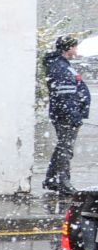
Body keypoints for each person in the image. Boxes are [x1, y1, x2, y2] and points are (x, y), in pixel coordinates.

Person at [45, 34, 91, 193]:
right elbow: (65, 95)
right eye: (74, 46)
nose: (76, 49)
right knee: (66, 149)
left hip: (66, 113)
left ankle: (51, 179)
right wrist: (73, 115)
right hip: (66, 115)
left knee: (62, 147)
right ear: (68, 48)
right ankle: (63, 183)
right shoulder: (60, 67)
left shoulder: (62, 64)